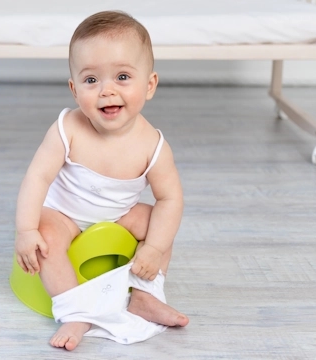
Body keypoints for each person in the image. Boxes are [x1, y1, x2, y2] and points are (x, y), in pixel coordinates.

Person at [14, 10, 189, 351]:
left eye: (123, 76)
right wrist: (25, 230)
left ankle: (144, 294)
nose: (107, 91)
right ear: (74, 89)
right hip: (64, 214)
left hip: (118, 214)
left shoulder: (153, 145)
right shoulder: (67, 129)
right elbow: (37, 177)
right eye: (91, 80)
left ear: (149, 84)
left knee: (160, 221)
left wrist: (152, 249)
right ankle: (75, 311)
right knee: (45, 237)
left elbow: (171, 198)